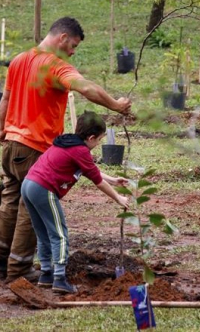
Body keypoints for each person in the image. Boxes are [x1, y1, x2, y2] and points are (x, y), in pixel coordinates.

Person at [0, 16, 132, 284]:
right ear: (62, 38)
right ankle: (18, 269)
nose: (73, 52)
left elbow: (5, 99)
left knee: (9, 202)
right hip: (35, 149)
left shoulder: (19, 60)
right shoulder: (55, 65)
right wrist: (116, 105)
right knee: (32, 208)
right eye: (74, 45)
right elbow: (87, 88)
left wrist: (2, 129)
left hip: (10, 145)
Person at [21, 111, 129, 293]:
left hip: (28, 185)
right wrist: (118, 197)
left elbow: (90, 170)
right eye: (99, 140)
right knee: (60, 234)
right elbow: (97, 181)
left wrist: (113, 180)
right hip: (43, 188)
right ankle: (59, 279)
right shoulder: (80, 150)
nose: (99, 144)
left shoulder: (68, 142)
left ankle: (46, 274)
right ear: (92, 137)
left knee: (43, 233)